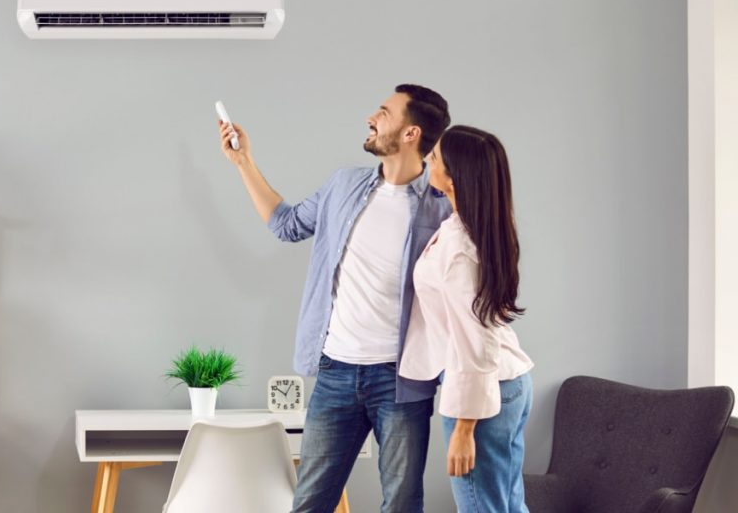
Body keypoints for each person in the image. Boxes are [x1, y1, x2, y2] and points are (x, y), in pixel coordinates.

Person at [217, 85, 451, 513]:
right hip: (336, 373)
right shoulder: (344, 184)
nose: (371, 118)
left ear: (410, 133)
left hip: (402, 382)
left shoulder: (442, 209)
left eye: (384, 112)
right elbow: (286, 224)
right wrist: (243, 162)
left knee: (402, 505)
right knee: (310, 504)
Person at [399, 125, 535, 512]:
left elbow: (476, 342)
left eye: (436, 157)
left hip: (483, 398)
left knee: (482, 507)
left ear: (455, 178)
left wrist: (464, 428)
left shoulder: (460, 249)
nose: (427, 160)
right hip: (507, 386)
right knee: (507, 505)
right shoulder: (471, 227)